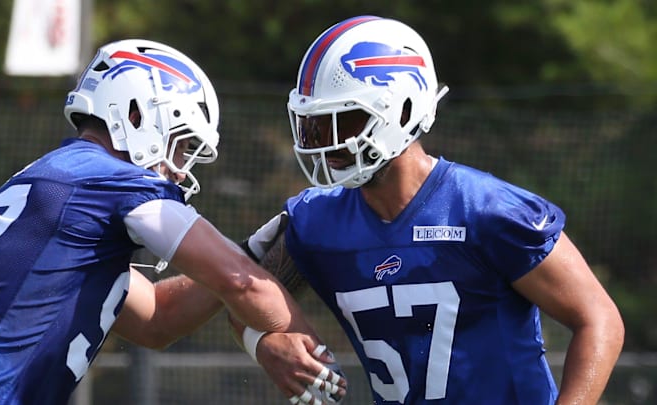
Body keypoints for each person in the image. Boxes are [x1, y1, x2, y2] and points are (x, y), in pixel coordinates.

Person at [232, 15, 625, 405]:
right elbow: (239, 295)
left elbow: (599, 319)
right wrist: (263, 342)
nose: (326, 144)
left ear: (403, 110)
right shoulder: (316, 222)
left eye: (344, 122)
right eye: (314, 126)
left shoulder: (486, 210)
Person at [0, 39, 344, 405]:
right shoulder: (106, 179)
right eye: (182, 145)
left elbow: (157, 319)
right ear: (135, 114)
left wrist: (248, 252)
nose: (182, 171)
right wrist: (312, 353)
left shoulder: (68, 189)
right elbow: (239, 283)